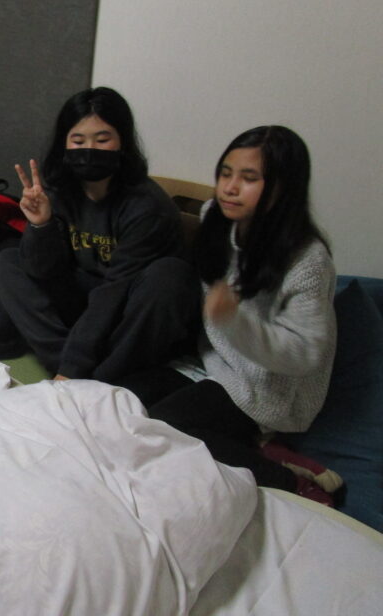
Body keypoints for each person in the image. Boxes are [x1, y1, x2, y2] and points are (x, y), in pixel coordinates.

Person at [114, 126, 338, 503]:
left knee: (165, 427)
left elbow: (305, 354)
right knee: (120, 400)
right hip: (212, 362)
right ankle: (251, 443)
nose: (230, 188)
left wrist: (235, 322)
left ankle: (288, 479)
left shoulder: (307, 260)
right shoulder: (215, 218)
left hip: (269, 389)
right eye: (225, 173)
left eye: (248, 178)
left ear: (285, 188)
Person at [0, 86, 199, 382]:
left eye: (102, 140)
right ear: (64, 144)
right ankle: (67, 365)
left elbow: (114, 291)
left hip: (127, 310)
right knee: (8, 262)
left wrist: (74, 368)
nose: (90, 150)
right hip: (82, 303)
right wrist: (41, 225)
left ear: (122, 143)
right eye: (78, 141)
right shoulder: (59, 190)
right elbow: (41, 269)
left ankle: (101, 376)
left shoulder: (147, 206)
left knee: (170, 276)